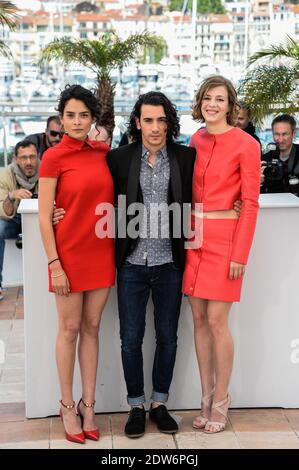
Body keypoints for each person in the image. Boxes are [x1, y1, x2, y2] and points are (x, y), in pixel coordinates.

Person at [106, 92, 196, 438]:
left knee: (168, 337)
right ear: (138, 123)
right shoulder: (119, 158)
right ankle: (135, 405)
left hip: (170, 263)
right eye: (148, 120)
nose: (155, 128)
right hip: (131, 263)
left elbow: (202, 195)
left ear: (169, 122)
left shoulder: (186, 157)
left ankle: (159, 404)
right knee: (130, 339)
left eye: (161, 120)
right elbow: (98, 197)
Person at [182, 76, 260, 434]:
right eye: (208, 98)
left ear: (231, 105)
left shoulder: (246, 144)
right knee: (198, 321)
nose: (213, 104)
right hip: (193, 238)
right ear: (200, 103)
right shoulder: (195, 140)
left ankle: (222, 399)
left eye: (220, 99)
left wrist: (239, 253)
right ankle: (205, 396)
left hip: (226, 241)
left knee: (216, 322)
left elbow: (251, 203)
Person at [38, 84, 115, 444]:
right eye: (70, 115)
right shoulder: (53, 157)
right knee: (68, 330)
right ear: (61, 117)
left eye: (84, 115)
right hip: (67, 254)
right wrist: (54, 263)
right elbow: (43, 216)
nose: (77, 121)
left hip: (101, 252)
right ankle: (67, 405)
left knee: (93, 326)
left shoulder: (102, 152)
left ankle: (89, 405)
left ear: (93, 119)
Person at [0, 140, 39, 300]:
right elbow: (3, 212)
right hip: (14, 219)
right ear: (15, 159)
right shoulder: (6, 175)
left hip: (39, 218)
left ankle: (42, 283)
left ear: (38, 157)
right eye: (23, 158)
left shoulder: (46, 170)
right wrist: (11, 196)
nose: (28, 162)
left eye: (32, 157)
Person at [260, 114, 299, 195]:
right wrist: (259, 183)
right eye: (277, 134)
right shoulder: (264, 159)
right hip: (273, 205)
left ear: (293, 133)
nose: (280, 140)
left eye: (285, 134)